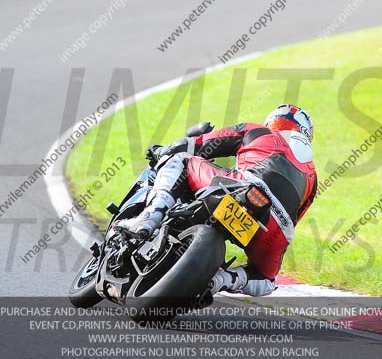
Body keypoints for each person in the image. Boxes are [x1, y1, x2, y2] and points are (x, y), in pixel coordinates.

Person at [115, 104, 318, 297]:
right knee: (266, 280)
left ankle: (150, 216)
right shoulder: (313, 177)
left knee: (181, 159)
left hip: (245, 188)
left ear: (272, 122)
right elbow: (295, 218)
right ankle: (222, 280)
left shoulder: (258, 131)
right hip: (277, 229)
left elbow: (201, 144)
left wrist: (163, 150)